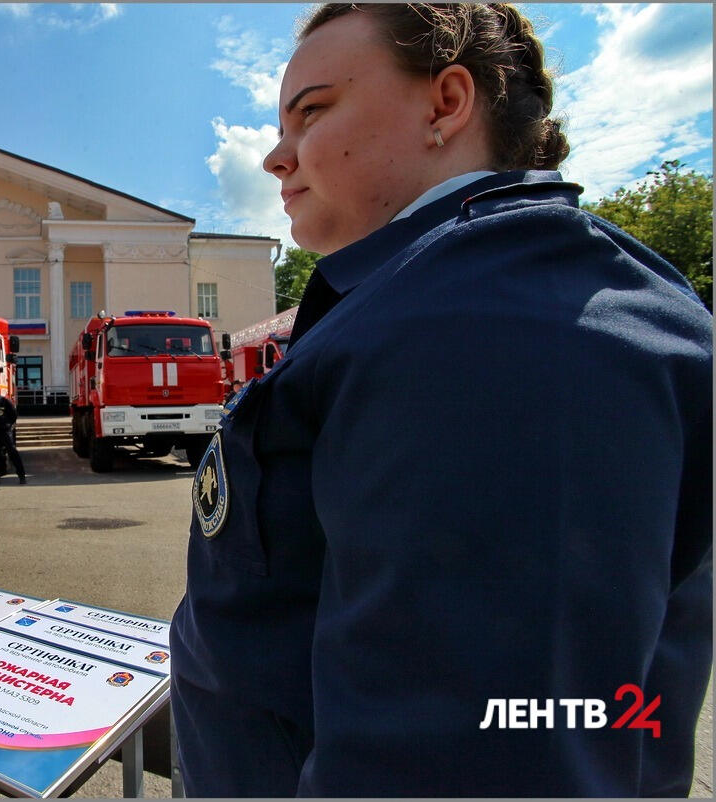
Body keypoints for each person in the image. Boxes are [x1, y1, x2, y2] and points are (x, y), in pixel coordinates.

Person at [170, 4, 712, 798]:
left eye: (312, 111)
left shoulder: (498, 315)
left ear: (446, 103)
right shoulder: (440, 292)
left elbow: (479, 754)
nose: (275, 158)